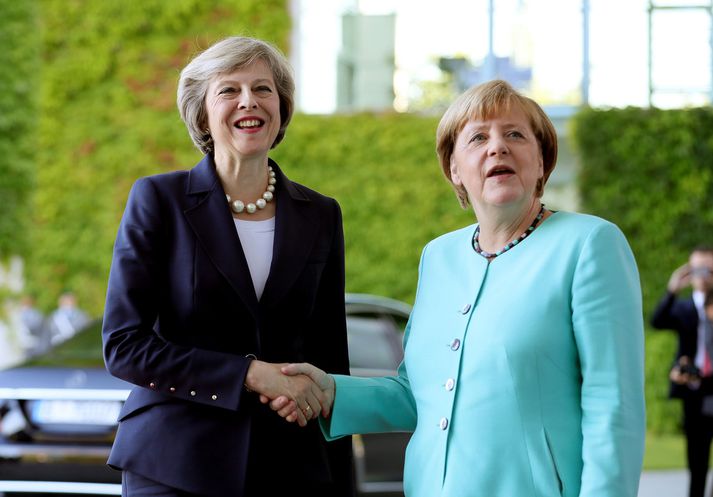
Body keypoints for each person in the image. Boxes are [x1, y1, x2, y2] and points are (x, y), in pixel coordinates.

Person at [269, 80, 646, 497]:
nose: (497, 147)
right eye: (478, 137)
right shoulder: (439, 255)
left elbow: (614, 405)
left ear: (542, 161)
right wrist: (330, 392)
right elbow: (420, 395)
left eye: (515, 134)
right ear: (454, 170)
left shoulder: (589, 243)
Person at [102, 36, 354, 497]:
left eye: (263, 89)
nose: (249, 101)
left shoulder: (321, 214)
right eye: (229, 90)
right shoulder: (159, 200)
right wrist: (248, 373)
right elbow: (124, 345)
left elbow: (329, 357)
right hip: (175, 460)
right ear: (202, 114)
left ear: (281, 108)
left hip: (290, 465)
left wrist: (339, 478)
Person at [651, 246, 713, 497]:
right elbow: (657, 320)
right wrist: (672, 289)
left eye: (709, 269)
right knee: (696, 463)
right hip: (694, 389)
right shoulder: (685, 308)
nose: (704, 275)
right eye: (698, 269)